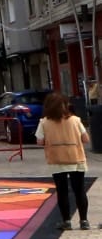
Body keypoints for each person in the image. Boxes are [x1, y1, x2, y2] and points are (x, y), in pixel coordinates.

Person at [36, 91, 90, 230]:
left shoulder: (44, 122)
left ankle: (66, 221)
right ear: (65, 105)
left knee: (62, 191)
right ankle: (84, 221)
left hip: (56, 160)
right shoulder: (75, 120)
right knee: (79, 190)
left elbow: (39, 141)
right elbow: (86, 139)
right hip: (76, 158)